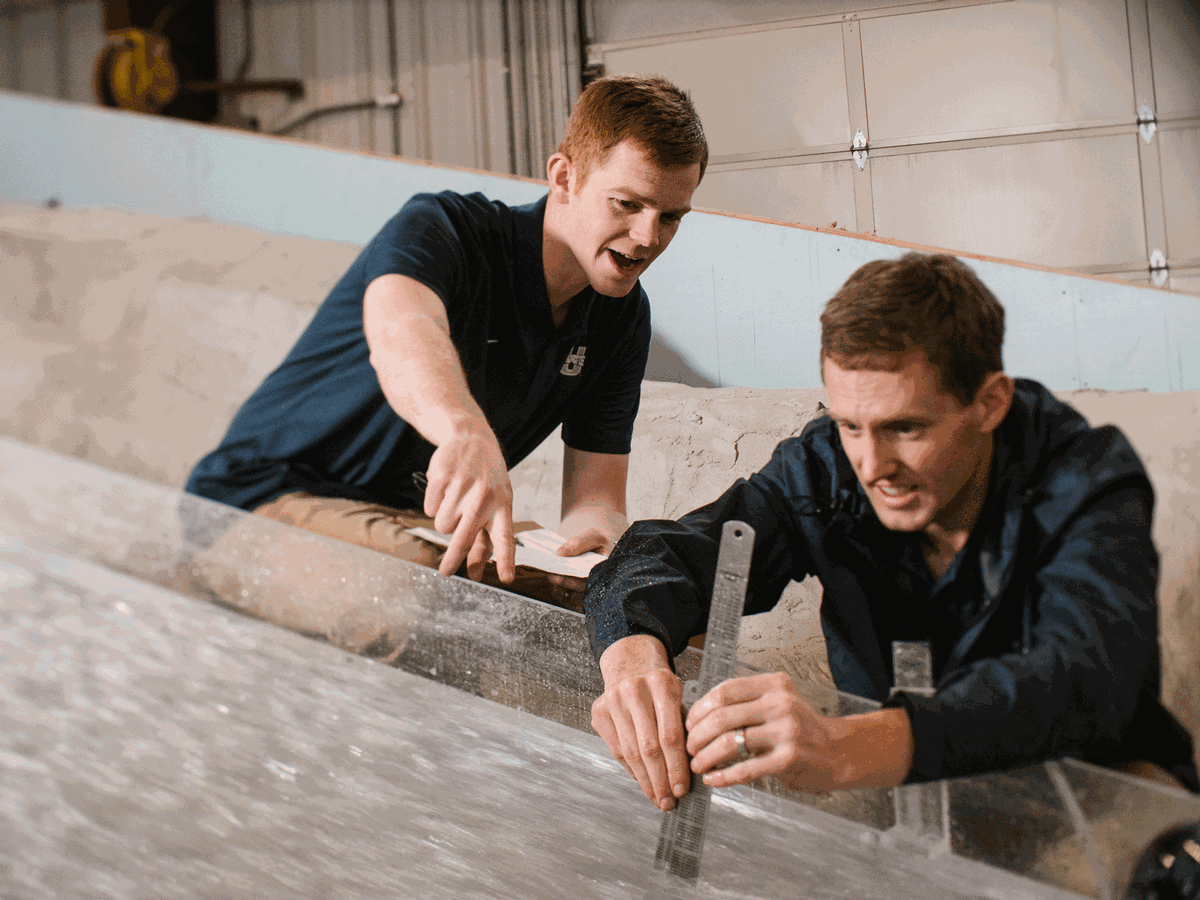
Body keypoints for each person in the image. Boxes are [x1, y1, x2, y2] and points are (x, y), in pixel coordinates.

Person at [585, 253, 1199, 812]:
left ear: (989, 403)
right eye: (851, 424)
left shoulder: (1088, 478)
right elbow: (670, 554)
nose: (873, 467)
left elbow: (1084, 680)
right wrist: (632, 653)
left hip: (1094, 796)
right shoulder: (828, 467)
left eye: (904, 428)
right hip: (905, 802)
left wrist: (848, 745)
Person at [185, 75, 707, 607]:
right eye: (626, 204)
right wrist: (465, 433)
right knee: (412, 590)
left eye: (670, 217)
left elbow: (594, 498)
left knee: (647, 608)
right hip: (259, 501)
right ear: (564, 177)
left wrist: (600, 545)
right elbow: (402, 331)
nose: (648, 238)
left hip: (411, 527)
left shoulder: (621, 317)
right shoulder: (443, 229)